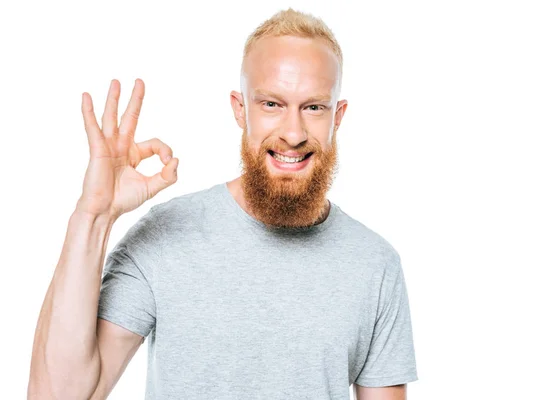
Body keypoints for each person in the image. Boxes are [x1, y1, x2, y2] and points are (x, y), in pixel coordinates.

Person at [27, 7, 418, 400]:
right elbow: (57, 394)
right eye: (271, 104)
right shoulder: (166, 236)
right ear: (240, 109)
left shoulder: (374, 265)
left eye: (313, 107)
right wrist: (93, 216)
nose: (294, 133)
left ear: (338, 116)